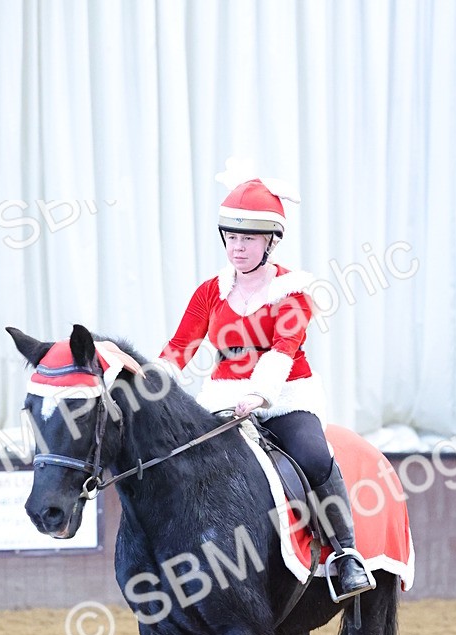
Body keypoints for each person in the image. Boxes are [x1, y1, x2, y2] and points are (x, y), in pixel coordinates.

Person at [159, 177, 373, 600]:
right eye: (231, 237)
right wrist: (149, 383)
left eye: (249, 239)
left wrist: (260, 395)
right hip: (222, 395)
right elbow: (181, 347)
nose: (238, 247)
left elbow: (284, 348)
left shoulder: (293, 290)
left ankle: (346, 554)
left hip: (286, 394)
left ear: (271, 242)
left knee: (313, 456)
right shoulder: (210, 292)